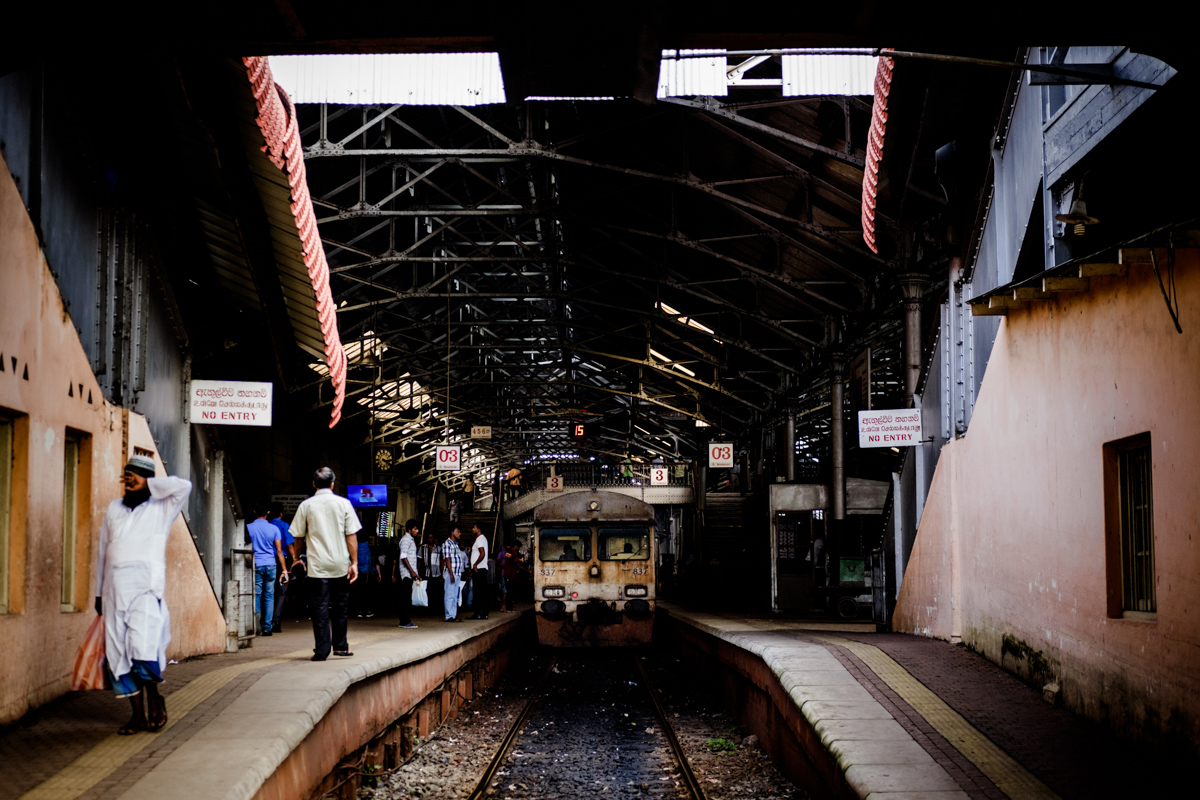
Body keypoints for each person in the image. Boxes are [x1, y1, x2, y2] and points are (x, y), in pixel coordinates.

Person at [93, 454, 192, 735]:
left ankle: (155, 701)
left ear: (149, 479)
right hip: (113, 591)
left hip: (145, 590)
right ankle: (136, 716)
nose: (129, 478)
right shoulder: (114, 508)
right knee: (118, 654)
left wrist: (149, 484)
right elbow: (102, 550)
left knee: (142, 648)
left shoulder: (162, 506)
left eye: (136, 474)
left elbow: (183, 485)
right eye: (127, 474)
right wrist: (98, 592)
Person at [290, 467, 362, 661]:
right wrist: (354, 562)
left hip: (317, 567)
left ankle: (322, 651)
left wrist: (297, 558)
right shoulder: (344, 504)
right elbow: (351, 535)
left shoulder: (306, 506)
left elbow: (298, 536)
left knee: (319, 608)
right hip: (340, 565)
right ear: (333, 483)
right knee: (340, 607)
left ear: (314, 484)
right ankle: (340, 646)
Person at [246, 505, 288, 636]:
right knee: (269, 596)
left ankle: (256, 625)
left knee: (257, 594)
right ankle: (267, 627)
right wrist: (285, 569)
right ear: (268, 513)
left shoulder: (248, 527)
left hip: (256, 564)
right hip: (271, 564)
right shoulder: (274, 528)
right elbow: (279, 551)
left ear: (254, 511)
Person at [267, 502, 299, 632]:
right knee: (281, 592)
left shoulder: (268, 526)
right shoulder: (284, 526)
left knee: (269, 592)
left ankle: (266, 621)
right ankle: (276, 621)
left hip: (269, 560)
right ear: (281, 513)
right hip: (283, 561)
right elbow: (290, 545)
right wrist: (295, 560)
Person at [392, 519, 420, 628]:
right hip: (406, 574)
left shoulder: (411, 540)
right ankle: (405, 621)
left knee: (407, 598)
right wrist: (412, 571)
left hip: (410, 574)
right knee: (405, 598)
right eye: (415, 529)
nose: (417, 531)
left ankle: (405, 621)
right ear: (409, 529)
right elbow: (403, 556)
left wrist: (416, 573)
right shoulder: (405, 540)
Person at [439, 526, 465, 622]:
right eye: (458, 531)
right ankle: (449, 616)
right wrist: (451, 574)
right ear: (452, 532)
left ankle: (453, 615)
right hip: (452, 573)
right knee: (449, 594)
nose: (460, 533)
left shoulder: (455, 544)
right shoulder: (447, 544)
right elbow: (447, 559)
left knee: (454, 595)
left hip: (456, 572)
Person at [467, 523, 490, 620]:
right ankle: (483, 613)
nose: (472, 529)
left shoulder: (480, 539)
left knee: (478, 592)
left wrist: (475, 564)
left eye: (474, 527)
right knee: (482, 592)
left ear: (478, 529)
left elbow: (482, 553)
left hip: (479, 569)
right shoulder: (482, 539)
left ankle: (477, 613)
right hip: (481, 569)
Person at [352, 537, 378, 618]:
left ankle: (358, 611)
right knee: (367, 592)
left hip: (357, 571)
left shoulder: (355, 545)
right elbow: (372, 560)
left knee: (358, 592)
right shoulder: (367, 547)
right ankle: (368, 611)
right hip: (366, 572)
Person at [417, 531, 442, 616]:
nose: (430, 539)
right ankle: (426, 609)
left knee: (435, 592)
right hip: (426, 573)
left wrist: (442, 573)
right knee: (427, 591)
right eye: (428, 537)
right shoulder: (422, 548)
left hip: (436, 573)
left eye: (431, 537)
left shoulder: (439, 548)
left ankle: (434, 609)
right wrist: (418, 572)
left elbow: (442, 561)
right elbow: (419, 561)